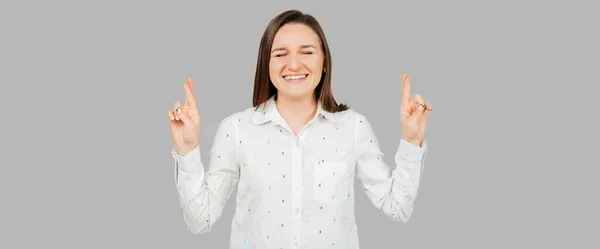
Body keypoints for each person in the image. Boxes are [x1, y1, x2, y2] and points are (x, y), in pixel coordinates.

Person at [167, 9, 432, 249]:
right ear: (266, 64)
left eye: (307, 52)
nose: (293, 65)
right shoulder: (237, 129)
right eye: (280, 54)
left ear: (324, 61)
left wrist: (411, 142)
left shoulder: (353, 128)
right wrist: (187, 150)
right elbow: (200, 220)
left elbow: (398, 208)